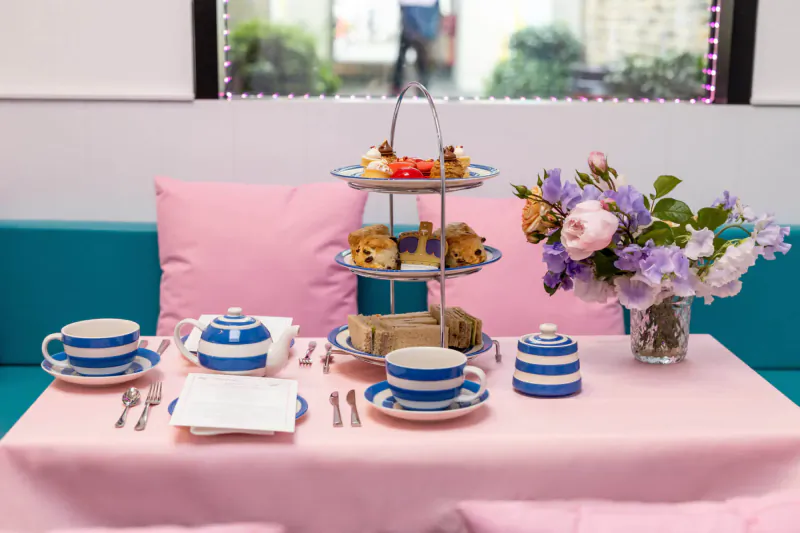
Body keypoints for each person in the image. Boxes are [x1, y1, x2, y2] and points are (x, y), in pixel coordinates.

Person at [392, 0, 440, 93]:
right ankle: (399, 85)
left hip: (422, 13)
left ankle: (420, 87)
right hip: (415, 12)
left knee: (420, 53)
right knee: (411, 51)